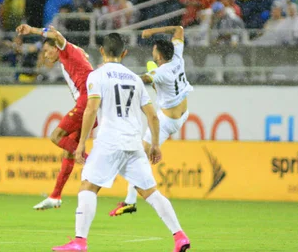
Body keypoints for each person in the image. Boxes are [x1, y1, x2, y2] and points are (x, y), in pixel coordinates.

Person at [52, 33, 190, 252]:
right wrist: (154, 144)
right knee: (151, 192)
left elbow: (91, 109)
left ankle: (79, 241)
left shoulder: (96, 76)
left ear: (102, 51)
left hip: (109, 142)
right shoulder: (135, 79)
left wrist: (81, 144)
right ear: (124, 53)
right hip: (133, 143)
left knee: (87, 186)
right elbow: (153, 116)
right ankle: (180, 236)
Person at [109, 26, 192, 217]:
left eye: (154, 50)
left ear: (160, 56)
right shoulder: (178, 56)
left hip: (166, 122)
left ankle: (131, 201)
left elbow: (141, 79)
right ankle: (130, 201)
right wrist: (152, 32)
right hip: (182, 114)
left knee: (135, 157)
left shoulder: (161, 72)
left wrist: (117, 77)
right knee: (139, 155)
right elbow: (179, 29)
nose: (152, 52)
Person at [16, 23, 95, 211]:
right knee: (68, 152)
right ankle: (55, 196)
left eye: (46, 50)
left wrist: (32, 30)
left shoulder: (65, 48)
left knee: (56, 136)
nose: (45, 55)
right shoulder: (72, 53)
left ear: (55, 47)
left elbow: (57, 35)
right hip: (90, 103)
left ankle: (94, 162)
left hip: (87, 102)